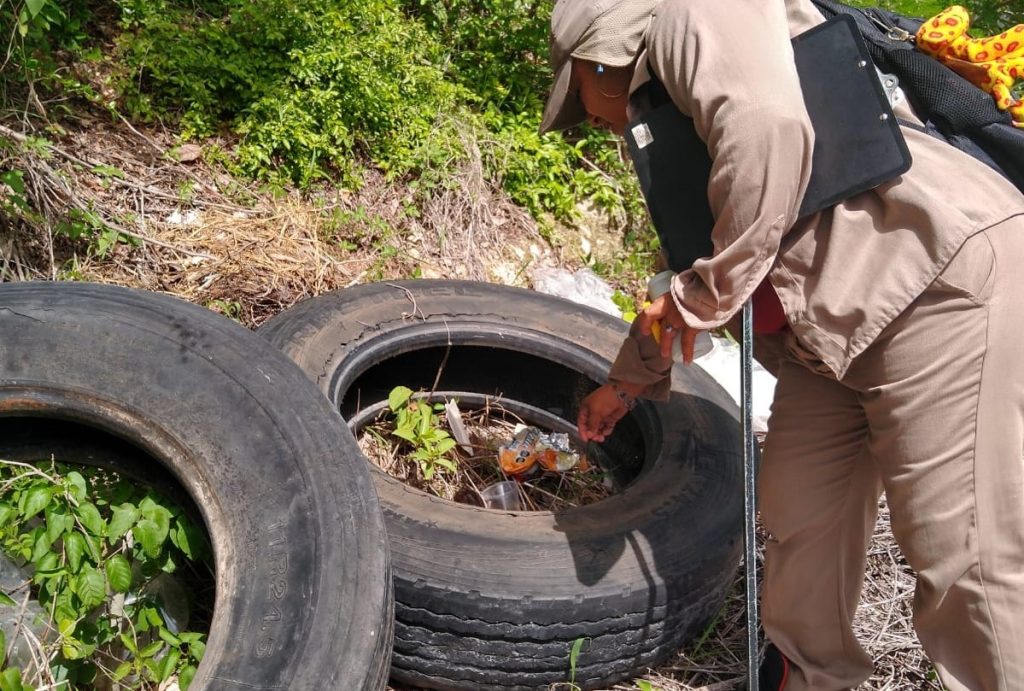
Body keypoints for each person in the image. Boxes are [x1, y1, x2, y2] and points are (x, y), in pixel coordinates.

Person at [539, 0, 1024, 689]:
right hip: (830, 329)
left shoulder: (696, 13)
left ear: (600, 59)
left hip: (931, 283)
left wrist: (700, 298)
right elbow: (694, 273)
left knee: (966, 564)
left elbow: (769, 134)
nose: (588, 119)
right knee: (799, 517)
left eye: (578, 98)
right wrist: (626, 382)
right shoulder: (676, 120)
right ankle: (808, 676)